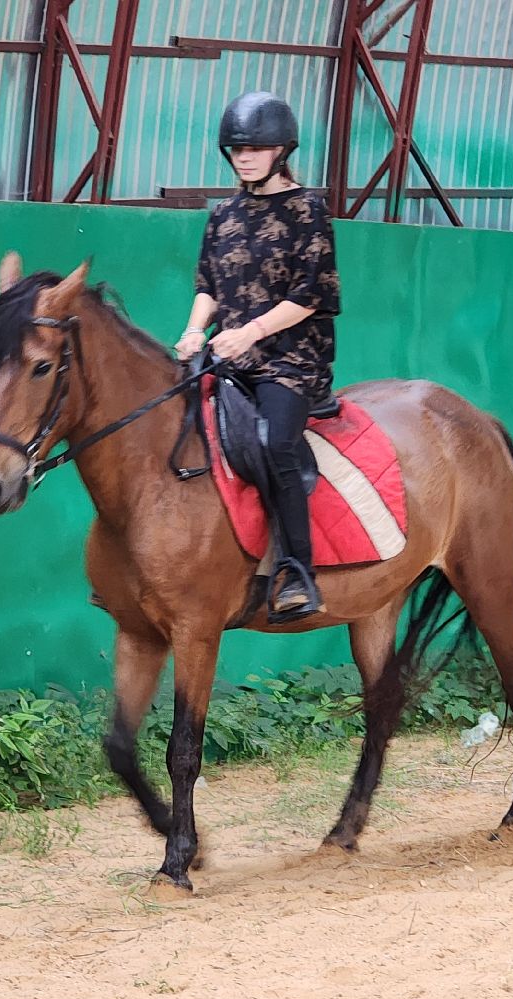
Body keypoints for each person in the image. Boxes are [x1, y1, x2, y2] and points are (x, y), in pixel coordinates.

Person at [176, 90, 341, 624]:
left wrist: (248, 334)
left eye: (256, 147)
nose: (244, 157)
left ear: (281, 150)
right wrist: (195, 331)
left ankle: (297, 570)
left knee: (274, 443)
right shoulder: (223, 214)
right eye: (236, 149)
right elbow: (208, 284)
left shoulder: (308, 211)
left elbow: (310, 295)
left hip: (290, 359)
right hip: (228, 355)